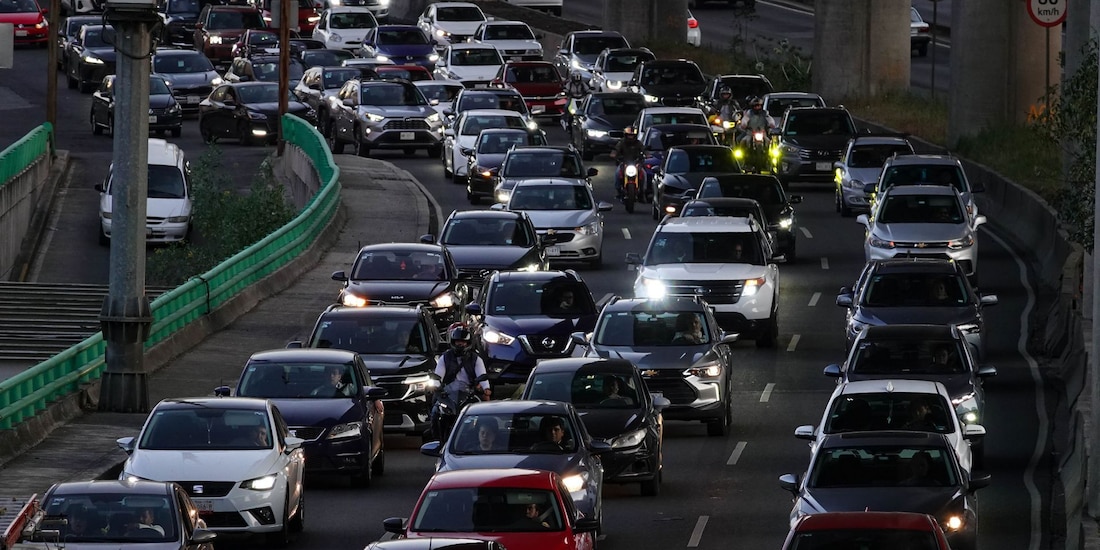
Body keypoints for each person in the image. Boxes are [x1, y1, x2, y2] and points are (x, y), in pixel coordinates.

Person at [431, 326, 491, 432]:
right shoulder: (445, 357)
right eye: (458, 341)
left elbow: (482, 376)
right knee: (435, 411)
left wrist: (485, 388)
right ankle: (436, 437)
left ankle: (482, 433)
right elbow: (438, 376)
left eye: (463, 342)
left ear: (468, 343)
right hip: (448, 395)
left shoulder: (476, 359)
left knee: (484, 414)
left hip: (469, 395)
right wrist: (436, 386)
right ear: (453, 342)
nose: (460, 344)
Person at [610, 126, 646, 200]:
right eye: (629, 135)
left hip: (636, 163)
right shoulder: (621, 142)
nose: (630, 137)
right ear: (626, 135)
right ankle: (618, 191)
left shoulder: (638, 143)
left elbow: (644, 149)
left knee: (644, 174)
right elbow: (616, 149)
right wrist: (614, 154)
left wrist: (647, 154)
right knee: (617, 174)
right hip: (624, 163)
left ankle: (643, 192)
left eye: (632, 135)